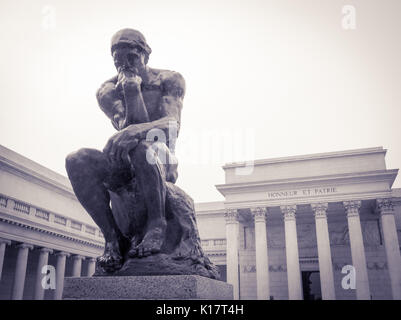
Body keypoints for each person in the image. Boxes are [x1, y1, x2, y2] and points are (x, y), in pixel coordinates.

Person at [65, 28, 185, 271]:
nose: (125, 64)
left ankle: (157, 223)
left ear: (146, 54)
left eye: (132, 57)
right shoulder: (107, 91)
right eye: (118, 60)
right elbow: (126, 126)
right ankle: (112, 237)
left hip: (162, 157)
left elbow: (172, 128)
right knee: (77, 159)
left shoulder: (169, 80)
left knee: (141, 145)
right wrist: (131, 89)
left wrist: (135, 127)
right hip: (126, 161)